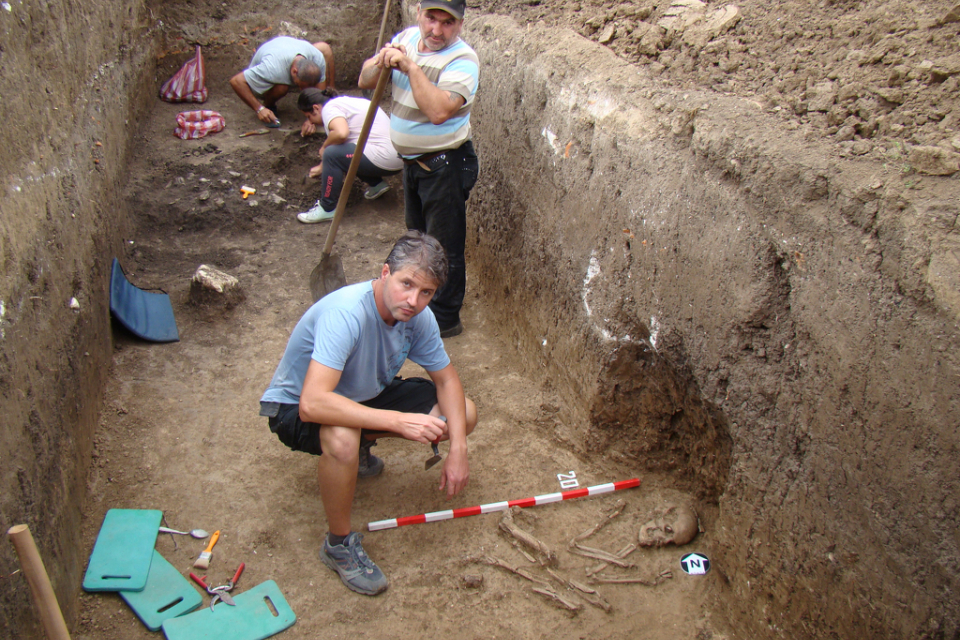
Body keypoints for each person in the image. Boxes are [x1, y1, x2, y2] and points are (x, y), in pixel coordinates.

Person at [259, 230, 477, 596]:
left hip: (362, 395)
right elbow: (313, 403)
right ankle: (338, 545)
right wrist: (397, 421)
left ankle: (360, 449)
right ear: (384, 272)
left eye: (426, 292)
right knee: (343, 438)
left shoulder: (417, 317)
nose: (413, 300)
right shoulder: (347, 314)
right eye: (406, 284)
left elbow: (448, 382)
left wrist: (458, 450)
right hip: (295, 408)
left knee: (463, 415)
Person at [358, 0, 480, 339]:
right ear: (419, 13)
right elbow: (365, 79)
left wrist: (411, 68)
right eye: (431, 19)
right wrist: (380, 61)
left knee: (445, 245)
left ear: (460, 25)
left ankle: (444, 320)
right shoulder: (407, 38)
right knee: (419, 238)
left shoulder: (463, 61)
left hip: (445, 165)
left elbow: (439, 111)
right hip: (412, 164)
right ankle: (420, 303)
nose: (437, 30)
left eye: (447, 23)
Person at [295, 88, 404, 224]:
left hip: (384, 156)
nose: (310, 121)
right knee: (345, 152)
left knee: (331, 153)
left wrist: (324, 147)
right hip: (397, 157)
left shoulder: (329, 108)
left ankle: (327, 208)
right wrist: (323, 166)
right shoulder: (348, 103)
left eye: (309, 116)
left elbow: (341, 133)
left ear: (316, 108)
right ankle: (376, 184)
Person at [229, 36, 336, 135]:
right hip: (265, 74)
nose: (302, 90)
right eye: (300, 86)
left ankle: (333, 99)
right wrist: (259, 109)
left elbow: (319, 95)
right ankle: (268, 105)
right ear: (294, 71)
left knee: (324, 47)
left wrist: (312, 119)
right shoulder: (271, 69)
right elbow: (236, 81)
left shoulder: (317, 58)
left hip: (285, 49)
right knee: (281, 88)